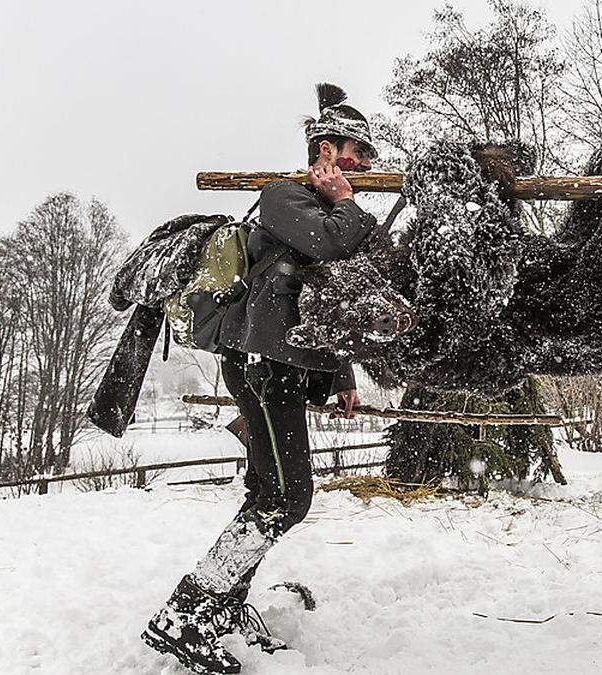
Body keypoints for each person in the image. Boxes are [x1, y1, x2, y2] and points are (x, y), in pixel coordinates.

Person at [141, 83, 382, 675]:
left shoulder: (323, 208)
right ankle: (188, 613)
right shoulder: (283, 196)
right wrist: (347, 203)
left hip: (291, 364)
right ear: (325, 149)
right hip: (264, 364)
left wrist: (342, 373)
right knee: (288, 498)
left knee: (267, 493)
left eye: (369, 158)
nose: (366, 165)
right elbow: (337, 242)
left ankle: (221, 609)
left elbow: (330, 293)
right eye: (357, 152)